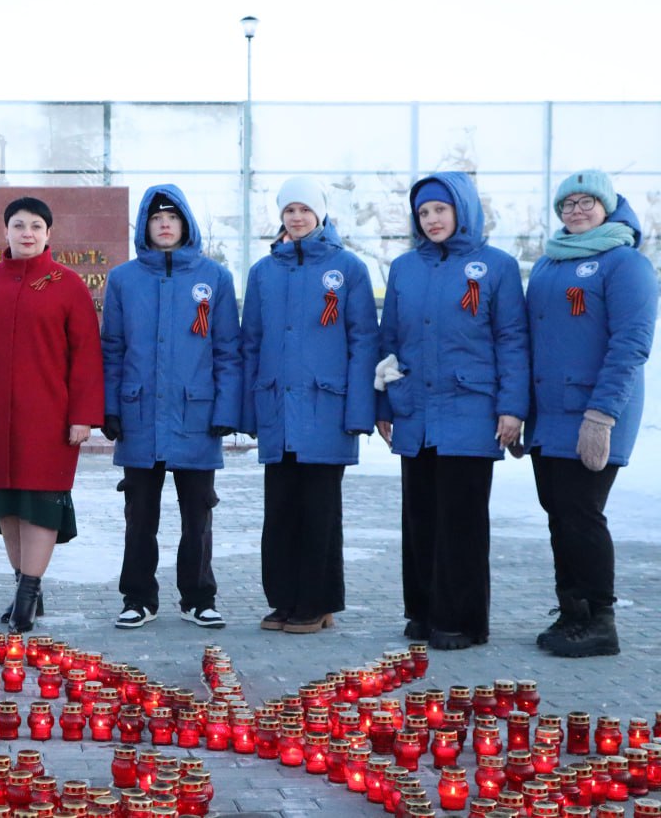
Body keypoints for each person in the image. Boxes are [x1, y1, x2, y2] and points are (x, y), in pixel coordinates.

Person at [376, 171, 529, 651]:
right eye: (423, 212)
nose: (432, 219)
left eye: (440, 209)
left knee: (461, 521)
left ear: (462, 210)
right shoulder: (405, 268)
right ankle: (423, 612)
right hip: (415, 411)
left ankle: (461, 620)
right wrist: (383, 402)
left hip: (471, 409)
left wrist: (512, 407)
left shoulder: (497, 266)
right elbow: (389, 340)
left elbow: (512, 339)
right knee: (420, 516)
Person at [0, 197, 104, 633]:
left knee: (39, 504)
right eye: (18, 225)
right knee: (9, 506)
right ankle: (24, 587)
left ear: (49, 233)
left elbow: (86, 356)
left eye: (36, 226)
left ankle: (26, 597)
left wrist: (83, 415)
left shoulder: (68, 284)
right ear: (6, 231)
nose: (27, 233)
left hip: (48, 418)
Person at [524, 170, 656, 658]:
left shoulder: (625, 263)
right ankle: (572, 611)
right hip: (548, 414)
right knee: (559, 514)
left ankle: (601, 620)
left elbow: (631, 344)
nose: (577, 211)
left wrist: (602, 416)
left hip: (594, 413)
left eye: (587, 202)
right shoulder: (549, 263)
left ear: (607, 206)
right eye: (568, 204)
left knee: (582, 514)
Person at [241, 178, 378, 634]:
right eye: (289, 210)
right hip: (277, 409)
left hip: (326, 410)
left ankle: (317, 603)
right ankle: (284, 600)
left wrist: (360, 411)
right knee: (280, 511)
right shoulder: (264, 272)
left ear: (320, 214)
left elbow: (363, 341)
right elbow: (251, 342)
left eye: (304, 209)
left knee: (320, 512)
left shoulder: (348, 268)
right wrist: (249, 410)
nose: (297, 217)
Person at [101, 184, 240, 630]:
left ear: (186, 224)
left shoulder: (215, 278)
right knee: (140, 514)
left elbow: (227, 350)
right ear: (145, 226)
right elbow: (112, 348)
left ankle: (198, 597)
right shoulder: (124, 279)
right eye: (157, 218)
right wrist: (110, 406)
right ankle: (138, 597)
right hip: (139, 414)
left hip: (195, 415)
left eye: (173, 218)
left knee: (198, 513)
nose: (165, 225)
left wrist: (226, 409)